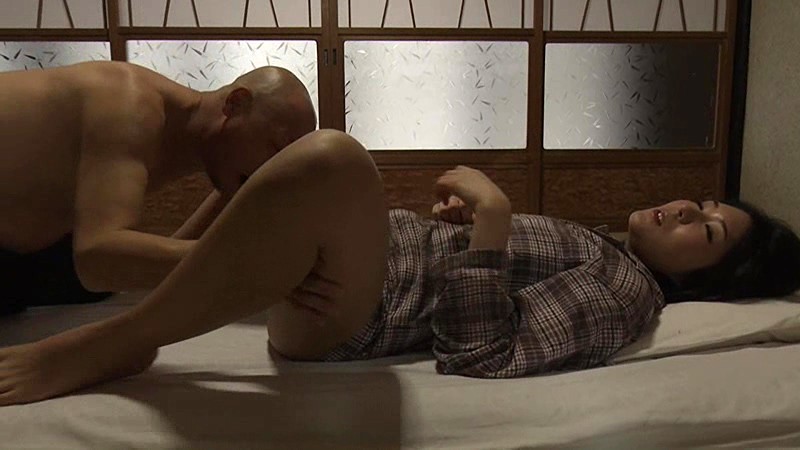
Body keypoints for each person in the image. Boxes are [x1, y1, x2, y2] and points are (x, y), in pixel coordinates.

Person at [2, 137, 799, 404]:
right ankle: (129, 295)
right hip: (355, 275)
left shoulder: (626, 294)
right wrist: (464, 233)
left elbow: (483, 354)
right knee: (287, 126)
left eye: (705, 231)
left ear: (705, 281)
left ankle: (119, 337)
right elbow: (484, 279)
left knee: (332, 158)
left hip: (361, 311)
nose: (682, 209)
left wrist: (492, 224)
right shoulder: (604, 246)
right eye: (700, 203)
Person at [0, 61, 317, 317]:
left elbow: (150, 265)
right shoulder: (131, 104)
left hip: (21, 253)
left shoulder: (183, 142)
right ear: (235, 103)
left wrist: (236, 196)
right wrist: (255, 263)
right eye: (276, 148)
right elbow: (96, 258)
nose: (273, 168)